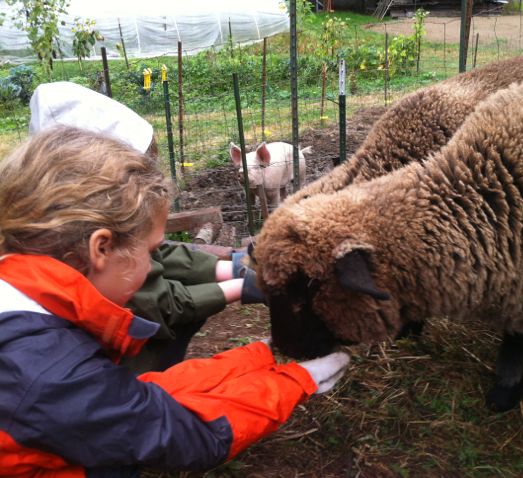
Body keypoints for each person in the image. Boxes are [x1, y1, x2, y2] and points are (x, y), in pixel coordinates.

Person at [0, 126, 350, 477]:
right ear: (101, 248)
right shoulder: (47, 372)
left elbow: (136, 398)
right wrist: (295, 382)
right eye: (152, 252)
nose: (156, 265)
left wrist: (256, 356)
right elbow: (181, 435)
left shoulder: (26, 316)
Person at [28, 81, 260, 373]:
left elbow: (155, 252)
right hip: (111, 376)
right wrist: (244, 285)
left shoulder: (69, 224)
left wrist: (235, 267)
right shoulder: (76, 257)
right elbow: (156, 304)